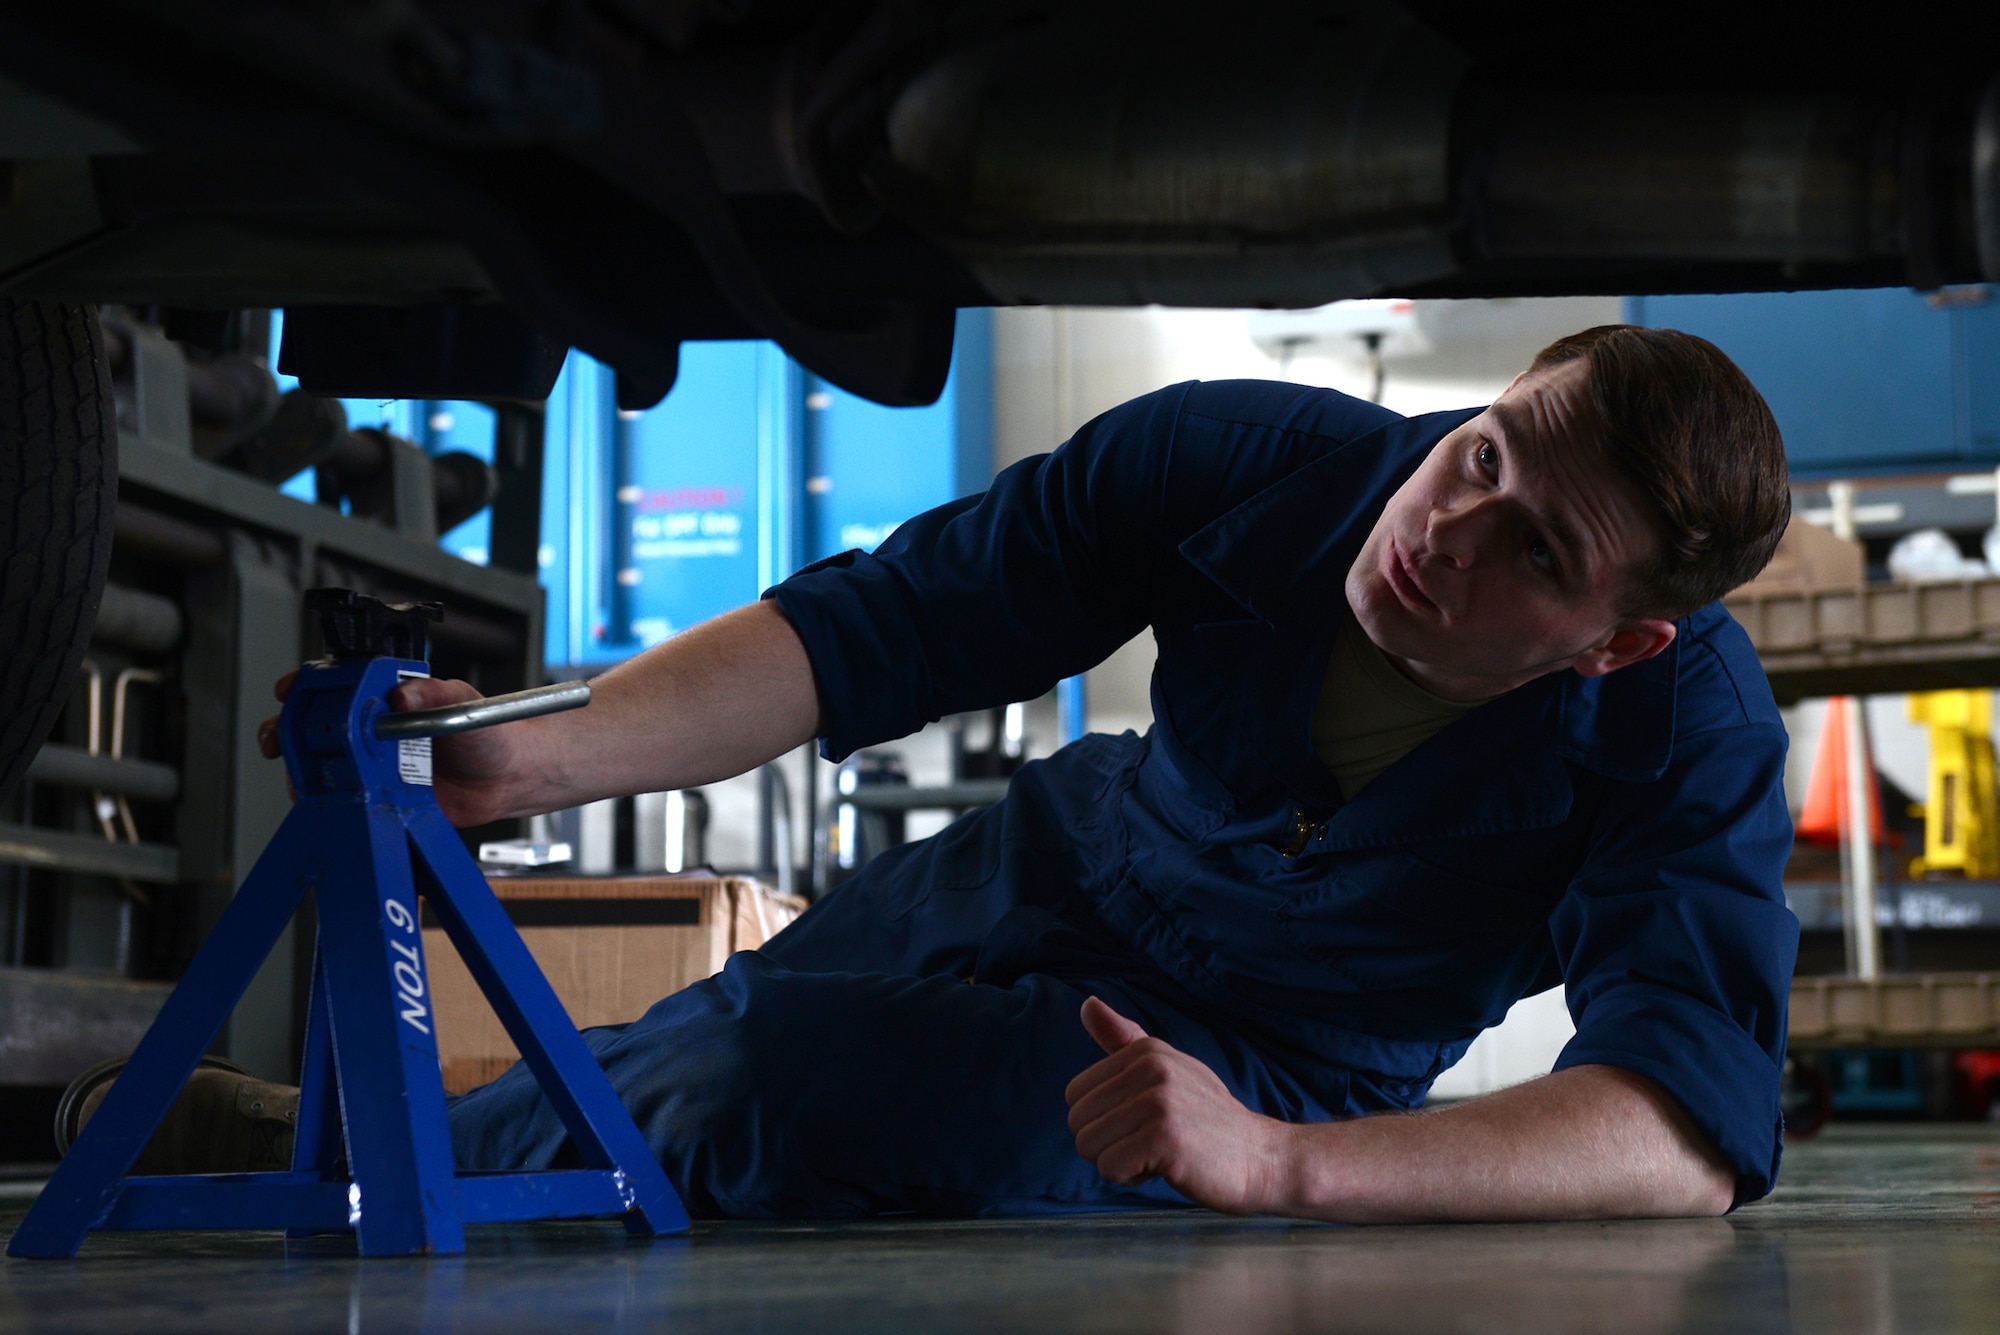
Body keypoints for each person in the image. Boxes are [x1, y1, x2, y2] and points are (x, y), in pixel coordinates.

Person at [85, 323, 1801, 1223]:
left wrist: (1274, 1162)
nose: (1451, 524)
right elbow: (887, 625)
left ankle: (357, 1175)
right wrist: (530, 761)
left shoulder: (1687, 732)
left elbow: (1683, 1127)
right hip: (1064, 860)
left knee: (768, 1085)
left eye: (1537, 548)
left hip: (1257, 1053)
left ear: (1614, 641)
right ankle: (375, 1150)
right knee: (710, 1026)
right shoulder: (1238, 457)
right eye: (1479, 450)